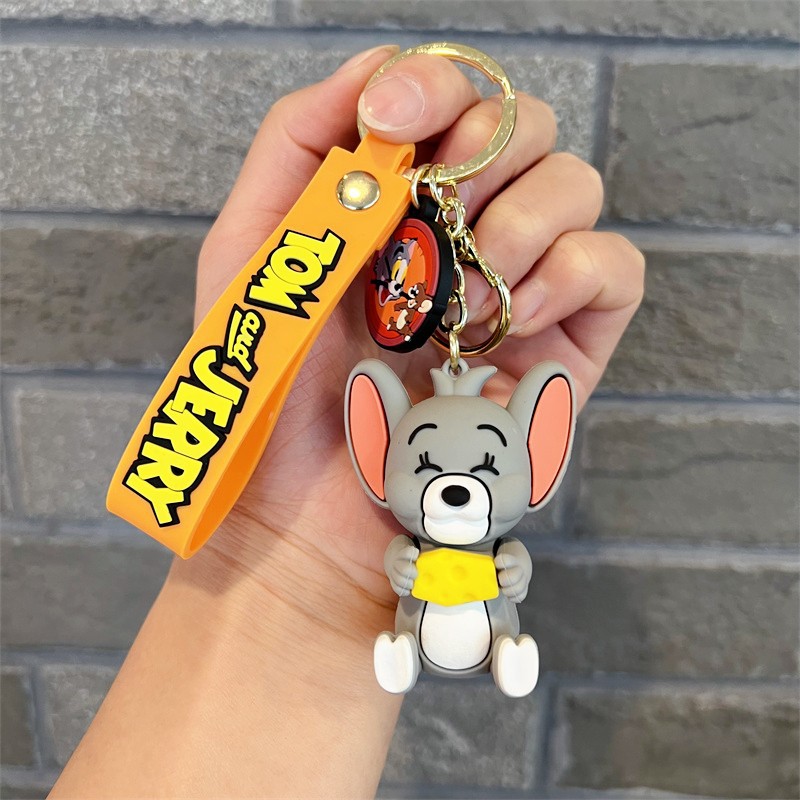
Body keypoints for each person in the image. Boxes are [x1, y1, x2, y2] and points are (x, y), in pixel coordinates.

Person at [49, 45, 644, 798]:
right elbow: (405, 564)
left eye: (488, 468)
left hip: (481, 617)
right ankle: (423, 647)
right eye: (423, 464)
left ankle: (506, 651)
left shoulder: (475, 508)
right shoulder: (386, 477)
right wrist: (292, 565)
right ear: (376, 450)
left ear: (541, 458)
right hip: (407, 615)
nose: (454, 486)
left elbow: (507, 567)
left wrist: (491, 573)